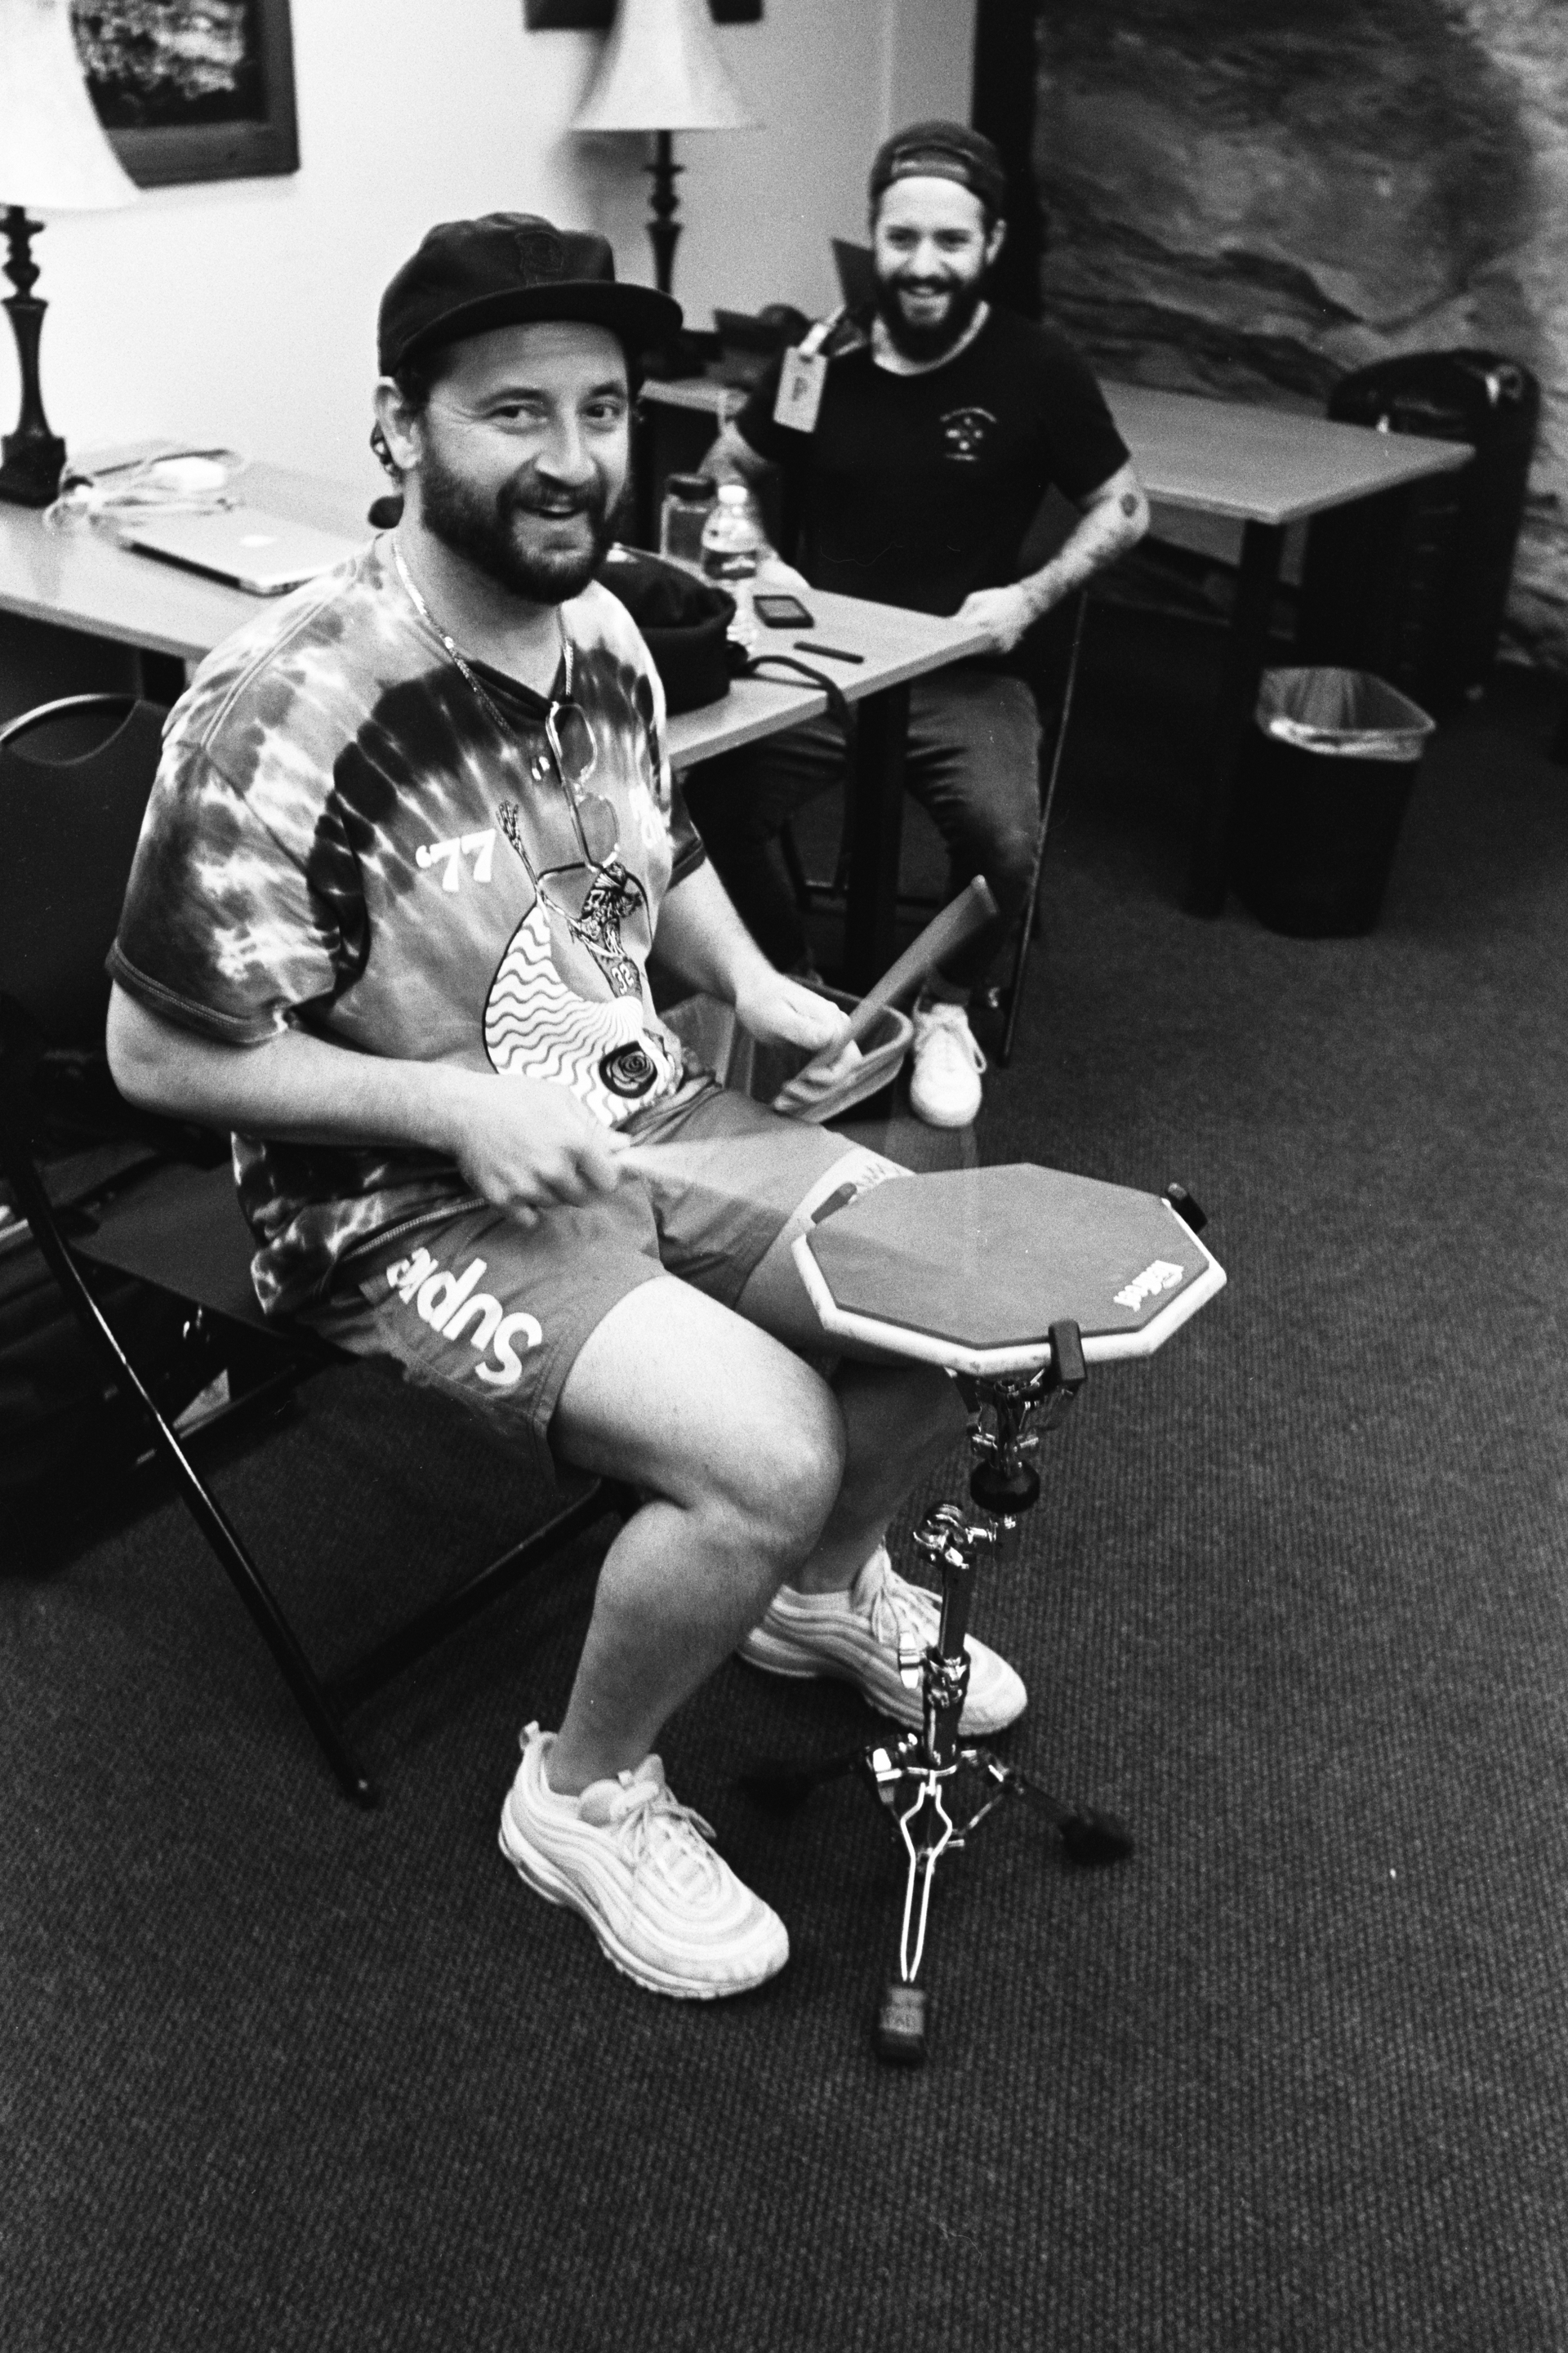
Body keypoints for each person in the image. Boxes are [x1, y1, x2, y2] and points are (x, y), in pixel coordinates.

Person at [104, 214, 1028, 2004]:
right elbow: (158, 1059)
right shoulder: (284, 704)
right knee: (767, 1442)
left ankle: (816, 1595)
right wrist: (448, 1109)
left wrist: (755, 986)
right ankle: (583, 1790)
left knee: (956, 1292)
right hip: (394, 1201)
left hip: (642, 1109)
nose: (574, 458)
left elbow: (648, 846)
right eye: (512, 412)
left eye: (601, 410)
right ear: (399, 428)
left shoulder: (600, 626)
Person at [684, 120, 1151, 1129]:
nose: (923, 265)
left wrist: (1028, 596)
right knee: (711, 804)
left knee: (1003, 842)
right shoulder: (821, 356)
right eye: (903, 240)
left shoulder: (1039, 368)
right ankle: (796, 985)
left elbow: (1124, 505)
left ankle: (945, 1004)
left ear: (991, 246)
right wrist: (761, 560)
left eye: (950, 242)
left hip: (961, 669)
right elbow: (731, 471)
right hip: (821, 663)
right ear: (875, 238)